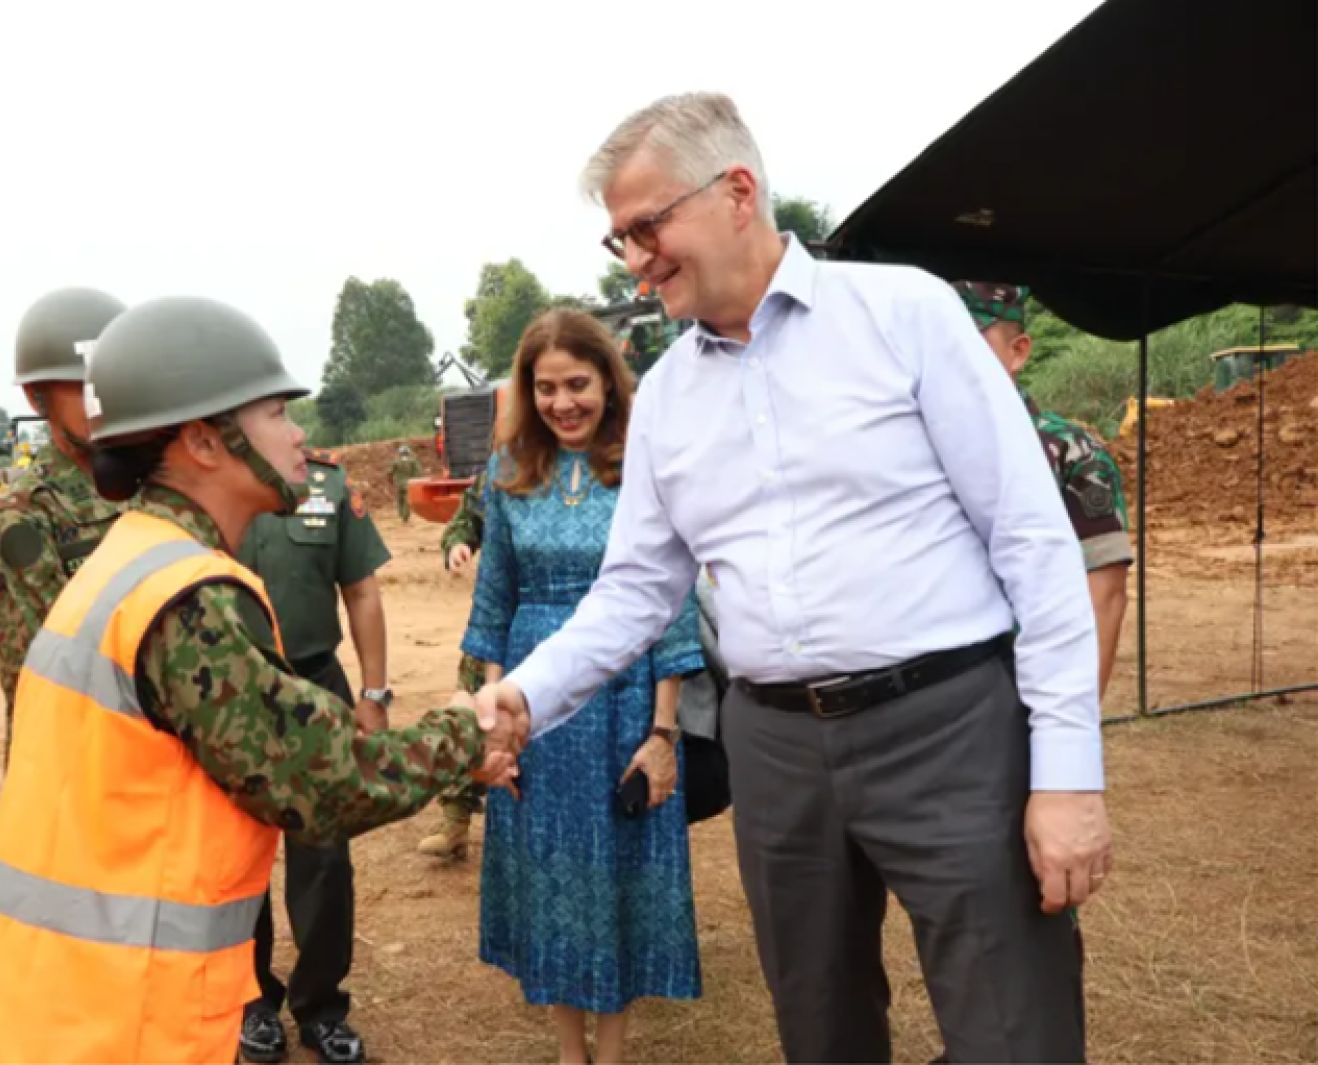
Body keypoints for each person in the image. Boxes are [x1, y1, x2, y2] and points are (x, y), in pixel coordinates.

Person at [474, 93, 1112, 1064]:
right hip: (774, 749)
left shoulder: (906, 315)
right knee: (821, 1030)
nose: (637, 259)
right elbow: (636, 593)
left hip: (948, 729)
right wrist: (523, 696)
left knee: (1010, 1027)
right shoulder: (669, 399)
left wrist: (1066, 775)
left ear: (738, 192)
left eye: (648, 226)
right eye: (620, 241)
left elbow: (1032, 542)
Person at [0, 295, 506, 1065]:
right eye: (277, 411)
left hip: (51, 1002)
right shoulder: (184, 595)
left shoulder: (127, 558)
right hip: (115, 1021)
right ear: (206, 442)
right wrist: (468, 732)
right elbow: (322, 782)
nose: (299, 432)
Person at [464, 309, 704, 1065]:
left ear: (609, 381)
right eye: (545, 388)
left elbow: (670, 605)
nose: (563, 402)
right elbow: (492, 602)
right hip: (534, 701)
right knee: (551, 872)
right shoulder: (505, 476)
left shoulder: (648, 467)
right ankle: (570, 1050)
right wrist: (494, 724)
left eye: (578, 384)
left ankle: (615, 1048)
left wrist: (662, 734)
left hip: (624, 693)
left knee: (617, 870)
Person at [233, 448, 394, 1065]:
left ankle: (321, 1008)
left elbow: (361, 592)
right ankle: (251, 1005)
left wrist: (374, 695)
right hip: (233, 694)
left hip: (316, 692)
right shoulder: (215, 489)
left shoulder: (327, 484)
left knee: (325, 862)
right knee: (236, 860)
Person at [0, 287, 127, 763]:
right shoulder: (23, 513)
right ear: (36, 398)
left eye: (113, 379)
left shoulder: (158, 488)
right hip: (70, 758)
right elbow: (67, 657)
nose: (100, 400)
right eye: (81, 386)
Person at [955, 281, 1133, 697]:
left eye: (971, 340)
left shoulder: (1070, 454)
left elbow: (1104, 596)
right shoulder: (911, 446)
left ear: (1018, 351)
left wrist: (1076, 719)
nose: (955, 356)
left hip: (1021, 685)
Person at [416, 467, 491, 858]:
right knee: (471, 705)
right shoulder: (503, 468)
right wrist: (458, 544)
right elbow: (465, 520)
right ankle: (455, 820)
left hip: (561, 613)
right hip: (496, 618)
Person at [390, 444, 421, 522]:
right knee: (407, 501)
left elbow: (390, 472)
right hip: (409, 484)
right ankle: (405, 517)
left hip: (399, 484)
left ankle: (401, 514)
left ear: (400, 453)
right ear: (408, 452)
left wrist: (390, 480)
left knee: (399, 500)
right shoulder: (413, 461)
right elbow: (418, 473)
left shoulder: (396, 462)